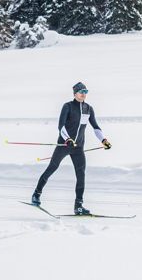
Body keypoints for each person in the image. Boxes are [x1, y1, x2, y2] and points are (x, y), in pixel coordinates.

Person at [31, 82, 111, 215]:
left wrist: (104, 140)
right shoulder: (67, 106)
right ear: (75, 93)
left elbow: (96, 127)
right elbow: (61, 126)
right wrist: (67, 139)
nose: (84, 94)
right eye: (81, 92)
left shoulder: (89, 109)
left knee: (81, 175)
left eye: (86, 92)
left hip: (78, 148)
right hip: (64, 145)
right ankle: (36, 194)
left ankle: (78, 206)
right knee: (52, 168)